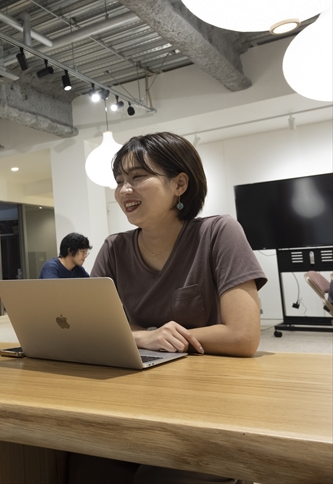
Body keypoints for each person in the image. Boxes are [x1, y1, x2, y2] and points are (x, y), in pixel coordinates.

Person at [70, 132, 266, 484]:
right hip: (133, 397)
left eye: (138, 177)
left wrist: (150, 337)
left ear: (180, 183)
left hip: (208, 402)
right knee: (80, 465)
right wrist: (146, 338)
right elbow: (94, 331)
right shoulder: (114, 248)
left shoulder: (219, 232)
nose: (124, 190)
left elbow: (242, 336)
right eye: (119, 181)